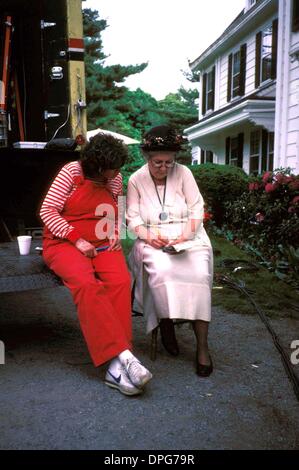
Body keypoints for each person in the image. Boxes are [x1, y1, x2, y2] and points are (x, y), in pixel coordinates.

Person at [39, 133, 152, 396]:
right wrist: (76, 240)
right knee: (87, 285)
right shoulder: (72, 172)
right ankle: (125, 356)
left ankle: (116, 368)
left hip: (102, 242)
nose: (115, 174)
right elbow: (47, 211)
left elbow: (119, 206)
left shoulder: (114, 178)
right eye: (112, 169)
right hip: (64, 242)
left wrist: (115, 232)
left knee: (120, 281)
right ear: (97, 166)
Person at [126, 125, 213, 377]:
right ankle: (165, 322)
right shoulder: (135, 179)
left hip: (189, 236)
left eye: (168, 162)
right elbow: (132, 219)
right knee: (162, 273)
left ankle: (202, 347)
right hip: (152, 237)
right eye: (157, 162)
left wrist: (185, 236)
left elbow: (197, 209)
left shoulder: (184, 173)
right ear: (146, 158)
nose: (163, 168)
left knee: (199, 275)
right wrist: (150, 237)